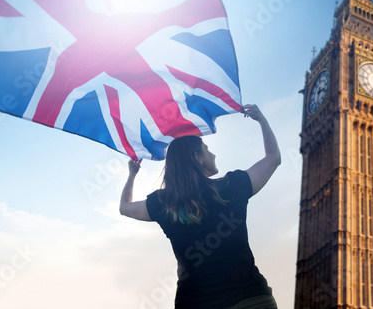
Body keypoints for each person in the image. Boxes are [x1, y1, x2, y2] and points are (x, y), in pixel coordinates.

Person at [119, 104, 281, 309]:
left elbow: (125, 208)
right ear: (198, 159)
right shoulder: (232, 186)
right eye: (207, 150)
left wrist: (132, 174)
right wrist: (262, 121)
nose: (213, 155)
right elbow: (273, 158)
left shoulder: (163, 203)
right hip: (250, 299)